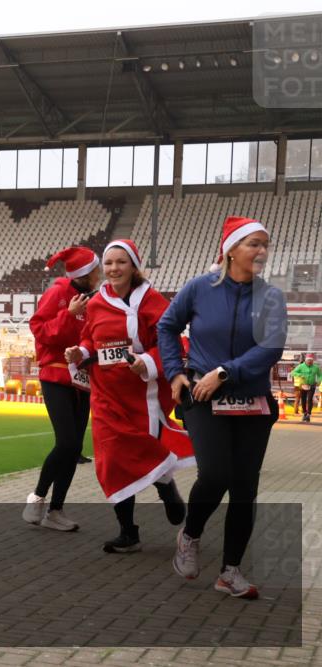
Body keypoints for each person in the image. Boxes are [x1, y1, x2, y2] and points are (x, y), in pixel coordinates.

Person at [158, 216, 288, 600]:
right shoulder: (199, 288)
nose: (262, 251)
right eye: (253, 244)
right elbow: (167, 327)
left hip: (253, 401)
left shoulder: (272, 297)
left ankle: (230, 572)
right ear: (231, 249)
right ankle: (191, 533)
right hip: (202, 398)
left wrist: (225, 373)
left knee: (245, 488)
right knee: (215, 475)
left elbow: (271, 347)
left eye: (265, 244)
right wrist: (174, 373)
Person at [64, 239, 192, 553]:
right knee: (111, 459)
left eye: (121, 262)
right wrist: (78, 351)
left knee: (143, 448)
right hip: (106, 395)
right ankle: (128, 532)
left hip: (142, 395)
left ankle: (167, 488)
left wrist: (146, 361)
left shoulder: (153, 301)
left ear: (134, 266)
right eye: (108, 263)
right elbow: (90, 340)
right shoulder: (95, 303)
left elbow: (171, 343)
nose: (113, 269)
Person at [22, 246, 101, 531]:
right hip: (55, 376)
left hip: (82, 381)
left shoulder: (94, 298)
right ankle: (38, 496)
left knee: (75, 447)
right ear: (86, 273)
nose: (101, 273)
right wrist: (69, 314)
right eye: (97, 269)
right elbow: (39, 328)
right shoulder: (58, 293)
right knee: (66, 442)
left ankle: (55, 511)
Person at [292, 353, 320, 423]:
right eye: (308, 361)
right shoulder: (301, 366)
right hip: (303, 385)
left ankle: (308, 414)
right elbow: (293, 372)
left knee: (310, 399)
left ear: (313, 361)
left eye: (311, 361)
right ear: (305, 361)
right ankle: (304, 413)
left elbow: (320, 375)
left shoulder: (316, 367)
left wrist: (319, 381)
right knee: (303, 400)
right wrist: (300, 375)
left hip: (312, 385)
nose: (309, 362)